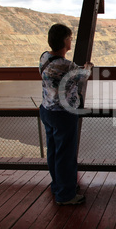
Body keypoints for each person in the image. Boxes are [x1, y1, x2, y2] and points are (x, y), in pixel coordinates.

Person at [39, 23, 93, 205]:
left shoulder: (44, 57)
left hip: (47, 110)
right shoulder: (66, 66)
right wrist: (88, 66)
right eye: (70, 38)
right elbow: (83, 75)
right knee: (65, 155)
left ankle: (59, 185)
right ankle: (66, 195)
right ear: (64, 41)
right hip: (63, 115)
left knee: (54, 151)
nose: (71, 41)